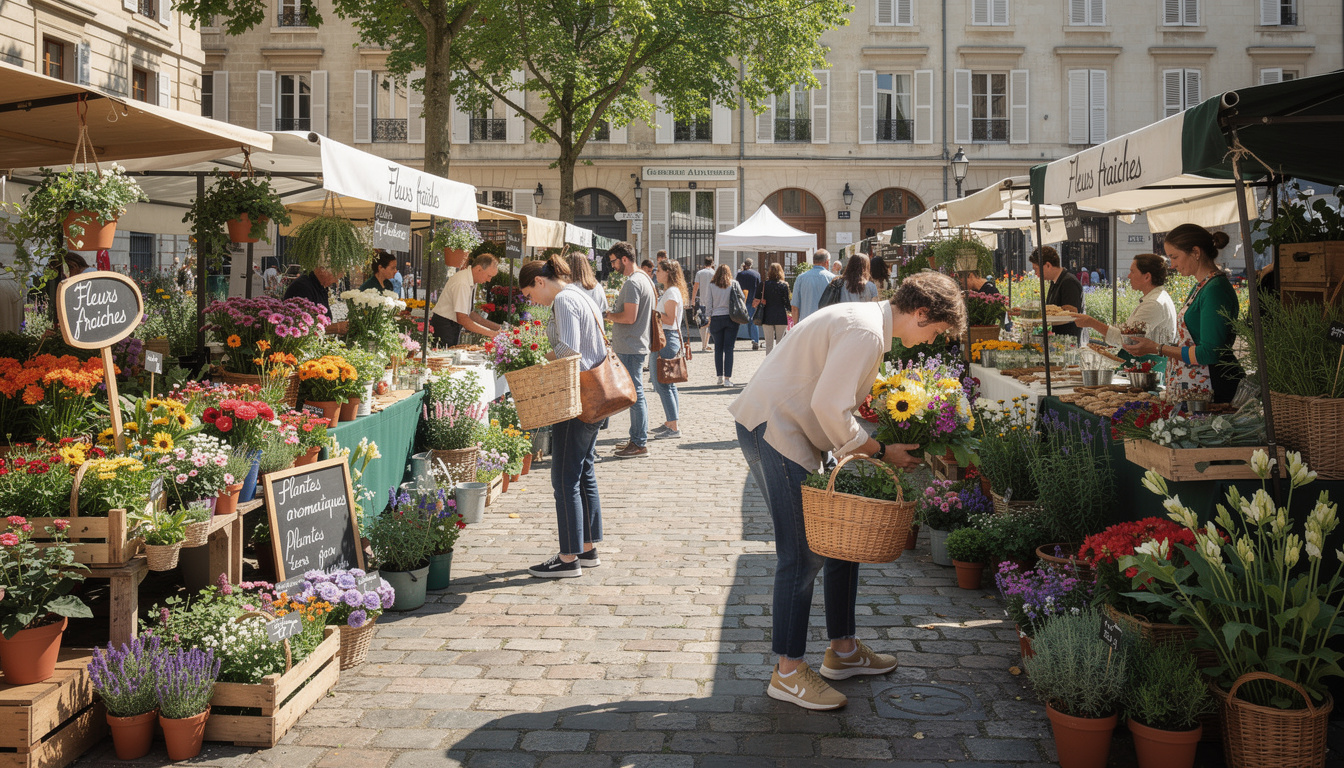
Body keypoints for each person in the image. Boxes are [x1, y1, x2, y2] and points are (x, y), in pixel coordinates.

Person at [731, 271, 967, 711]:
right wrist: (879, 449)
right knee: (801, 554)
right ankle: (787, 672)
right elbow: (827, 405)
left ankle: (842, 651)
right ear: (920, 313)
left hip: (792, 429)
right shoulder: (865, 331)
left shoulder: (866, 324)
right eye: (934, 331)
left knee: (840, 542)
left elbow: (829, 400)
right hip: (777, 431)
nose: (929, 342)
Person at [516, 255, 608, 578]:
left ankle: (568, 558)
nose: (533, 302)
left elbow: (571, 351)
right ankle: (587, 549)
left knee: (564, 478)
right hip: (595, 396)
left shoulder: (564, 301)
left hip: (576, 398)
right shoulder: (583, 295)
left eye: (530, 294)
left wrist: (540, 360)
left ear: (540, 282)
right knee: (583, 472)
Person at [1122, 225, 1244, 402]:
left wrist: (1158, 348)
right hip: (1197, 385)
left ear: (1195, 252)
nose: (1173, 265)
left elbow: (1209, 352)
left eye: (1174, 257)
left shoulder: (1215, 289)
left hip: (1213, 387)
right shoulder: (1202, 285)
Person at [1067, 254, 1177, 369]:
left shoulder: (1154, 303)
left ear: (1147, 277)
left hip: (1148, 369)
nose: (1129, 276)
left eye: (1132, 272)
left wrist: (1091, 322)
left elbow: (1127, 340)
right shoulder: (1155, 298)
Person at [605, 241, 656, 458]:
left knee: (635, 395)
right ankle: (636, 437)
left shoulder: (633, 283)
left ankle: (639, 442)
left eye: (614, 261)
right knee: (636, 394)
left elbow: (629, 317)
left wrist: (607, 314)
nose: (613, 266)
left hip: (631, 346)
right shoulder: (644, 278)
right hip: (636, 344)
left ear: (624, 259)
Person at [429, 253, 500, 347]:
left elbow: (470, 314)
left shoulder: (470, 280)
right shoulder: (462, 282)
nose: (489, 280)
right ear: (478, 269)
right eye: (489, 276)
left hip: (450, 326)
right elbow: (462, 318)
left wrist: (497, 328)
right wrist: (491, 333)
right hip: (444, 327)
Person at [650, 260, 687, 439]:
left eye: (659, 270)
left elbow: (670, 319)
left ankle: (673, 426)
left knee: (663, 383)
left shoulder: (672, 292)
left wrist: (652, 313)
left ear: (668, 273)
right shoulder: (671, 291)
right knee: (667, 383)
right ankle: (671, 422)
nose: (656, 272)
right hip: (666, 339)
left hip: (666, 338)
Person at [1026, 246, 1084, 341]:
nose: (1036, 273)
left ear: (1048, 265)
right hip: (1059, 339)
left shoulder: (1068, 282)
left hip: (1067, 341)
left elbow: (1070, 313)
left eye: (1036, 269)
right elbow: (1051, 310)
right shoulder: (1055, 281)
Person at [705, 265, 743, 387]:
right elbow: (741, 297)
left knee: (718, 348)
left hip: (716, 317)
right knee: (729, 348)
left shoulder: (711, 285)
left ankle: (719, 377)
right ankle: (727, 378)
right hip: (731, 317)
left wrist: (709, 316)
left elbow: (708, 302)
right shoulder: (734, 283)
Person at [284, 266, 349, 334]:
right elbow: (304, 329)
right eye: (336, 277)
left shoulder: (320, 286)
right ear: (323, 270)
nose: (336, 281)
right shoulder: (302, 287)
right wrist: (336, 328)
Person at [756, 263, 792, 354]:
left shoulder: (763, 284)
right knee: (780, 343)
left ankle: (768, 366)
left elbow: (756, 298)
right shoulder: (784, 285)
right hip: (780, 316)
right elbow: (787, 303)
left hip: (767, 315)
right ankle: (779, 365)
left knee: (769, 344)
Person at [792, 250, 835, 323]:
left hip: (806, 324)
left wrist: (796, 327)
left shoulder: (801, 278)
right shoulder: (833, 278)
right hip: (826, 324)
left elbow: (795, 307)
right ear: (827, 262)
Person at [736, 259, 762, 351]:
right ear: (751, 265)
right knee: (752, 321)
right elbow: (760, 288)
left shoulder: (740, 274)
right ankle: (755, 340)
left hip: (742, 300)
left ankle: (733, 339)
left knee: (737, 320)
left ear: (744, 264)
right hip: (753, 300)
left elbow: (737, 287)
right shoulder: (757, 274)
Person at [690, 256, 715, 353]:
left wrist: (692, 300)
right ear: (712, 263)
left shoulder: (699, 273)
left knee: (701, 323)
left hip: (702, 300)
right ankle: (706, 344)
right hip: (712, 301)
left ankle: (703, 344)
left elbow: (695, 287)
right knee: (709, 323)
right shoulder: (714, 273)